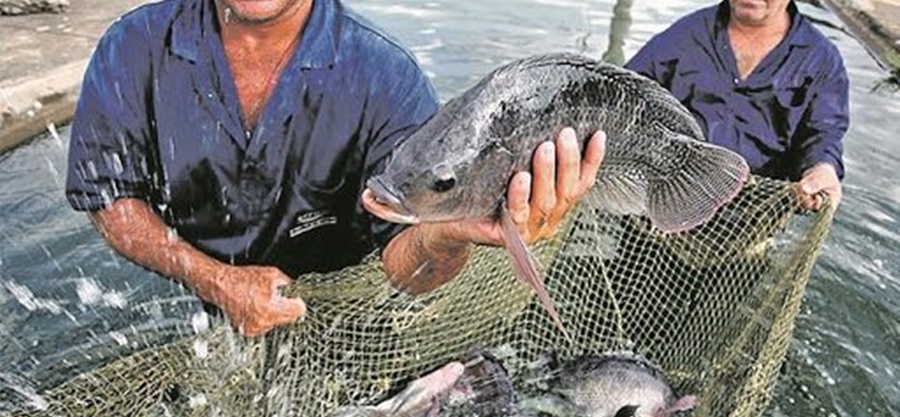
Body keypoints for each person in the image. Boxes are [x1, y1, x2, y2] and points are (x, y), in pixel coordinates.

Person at [65, 0, 606, 337]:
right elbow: (108, 196)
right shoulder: (132, 47)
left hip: (345, 318)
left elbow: (410, 270)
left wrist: (446, 233)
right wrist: (214, 279)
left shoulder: (387, 76)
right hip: (198, 303)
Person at [625, 0, 849, 212]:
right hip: (666, 202)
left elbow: (823, 133)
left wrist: (822, 168)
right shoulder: (686, 34)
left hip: (751, 215)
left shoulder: (821, 60)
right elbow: (626, 93)